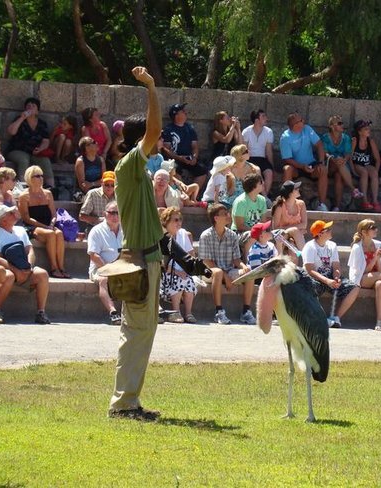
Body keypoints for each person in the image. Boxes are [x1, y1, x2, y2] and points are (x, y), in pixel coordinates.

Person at [104, 67, 212, 421]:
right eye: (154, 138)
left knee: (143, 332)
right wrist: (151, 87)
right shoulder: (130, 164)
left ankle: (131, 401)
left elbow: (157, 232)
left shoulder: (141, 173)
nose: (161, 139)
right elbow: (153, 129)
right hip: (137, 263)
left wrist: (187, 260)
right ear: (140, 141)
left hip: (149, 259)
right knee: (135, 332)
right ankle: (121, 404)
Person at [0, 204, 50, 324]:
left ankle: (40, 313)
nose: (14, 214)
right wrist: (16, 271)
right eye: (10, 213)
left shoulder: (20, 230)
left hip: (24, 268)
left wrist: (29, 267)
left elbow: (30, 251)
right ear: (3, 220)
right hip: (3, 269)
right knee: (9, 275)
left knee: (42, 274)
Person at [198, 203, 255, 325]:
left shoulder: (232, 235)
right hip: (208, 271)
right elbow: (206, 262)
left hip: (228, 271)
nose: (228, 216)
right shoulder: (205, 235)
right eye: (225, 214)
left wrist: (244, 267)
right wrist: (224, 275)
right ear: (216, 218)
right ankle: (218, 312)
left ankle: (246, 312)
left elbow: (236, 259)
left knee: (249, 271)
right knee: (218, 273)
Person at [303, 220, 360, 328]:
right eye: (327, 230)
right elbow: (309, 270)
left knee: (355, 288)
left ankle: (336, 318)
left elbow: (336, 266)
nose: (331, 231)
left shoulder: (332, 245)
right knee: (309, 290)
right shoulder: (309, 247)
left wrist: (336, 277)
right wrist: (327, 281)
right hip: (315, 278)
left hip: (330, 277)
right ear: (320, 234)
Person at [17, 165, 69, 279]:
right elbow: (26, 218)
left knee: (59, 233)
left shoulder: (48, 193)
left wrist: (51, 224)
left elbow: (54, 214)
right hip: (32, 226)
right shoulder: (24, 196)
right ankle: (54, 268)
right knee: (50, 234)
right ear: (30, 178)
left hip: (48, 225)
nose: (41, 178)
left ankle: (61, 267)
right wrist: (45, 226)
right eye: (37, 176)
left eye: (42, 175)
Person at [280, 113, 329, 211]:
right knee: (287, 169)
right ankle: (286, 203)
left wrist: (320, 162)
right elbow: (287, 159)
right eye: (301, 120)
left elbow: (319, 144)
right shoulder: (285, 137)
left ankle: (321, 204)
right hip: (296, 166)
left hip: (311, 164)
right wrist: (302, 166)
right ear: (295, 125)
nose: (304, 121)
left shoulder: (307, 129)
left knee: (323, 169)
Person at [87, 201, 123, 326]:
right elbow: (93, 255)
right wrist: (109, 270)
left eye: (118, 213)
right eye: (112, 213)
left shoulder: (126, 230)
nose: (115, 216)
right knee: (104, 280)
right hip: (100, 268)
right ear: (104, 214)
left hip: (122, 267)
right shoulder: (96, 231)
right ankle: (113, 312)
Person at [160, 207, 198, 324]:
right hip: (166, 272)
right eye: (175, 220)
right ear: (166, 221)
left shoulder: (183, 233)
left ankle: (188, 313)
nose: (179, 223)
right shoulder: (161, 236)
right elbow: (161, 262)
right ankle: (175, 312)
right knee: (178, 279)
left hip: (182, 270)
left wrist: (188, 270)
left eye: (180, 219)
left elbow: (190, 255)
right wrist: (177, 272)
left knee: (188, 279)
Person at [6, 97, 55, 188]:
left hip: (34, 152)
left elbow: (46, 140)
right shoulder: (19, 120)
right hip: (17, 150)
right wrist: (22, 118)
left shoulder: (42, 123)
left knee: (45, 161)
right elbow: (11, 131)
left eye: (33, 106)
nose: (30, 108)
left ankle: (51, 188)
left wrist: (40, 148)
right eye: (28, 106)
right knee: (24, 160)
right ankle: (23, 187)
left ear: (37, 111)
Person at [162, 103, 208, 191]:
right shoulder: (168, 129)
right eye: (182, 111)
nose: (185, 112)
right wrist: (179, 158)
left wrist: (194, 158)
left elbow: (195, 146)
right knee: (174, 170)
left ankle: (191, 195)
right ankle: (182, 194)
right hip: (175, 158)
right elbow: (166, 149)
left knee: (202, 171)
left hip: (189, 157)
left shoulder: (189, 128)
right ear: (176, 115)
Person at [321, 115, 362, 211]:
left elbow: (348, 153)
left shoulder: (346, 138)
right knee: (338, 161)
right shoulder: (325, 137)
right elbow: (325, 152)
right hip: (330, 163)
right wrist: (333, 159)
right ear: (332, 126)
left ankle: (337, 207)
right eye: (339, 123)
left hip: (341, 165)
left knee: (339, 176)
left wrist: (344, 159)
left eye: (342, 123)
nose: (342, 125)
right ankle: (353, 189)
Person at [231, 173, 269, 258]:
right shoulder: (241, 202)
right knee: (252, 236)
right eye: (260, 183)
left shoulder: (262, 200)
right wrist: (256, 231)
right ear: (254, 186)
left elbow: (263, 222)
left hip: (258, 231)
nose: (263, 184)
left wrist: (261, 232)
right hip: (239, 233)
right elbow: (239, 226)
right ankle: (247, 263)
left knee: (277, 236)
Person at [350, 119, 381, 212]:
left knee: (373, 173)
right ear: (359, 132)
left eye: (368, 129)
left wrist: (376, 171)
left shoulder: (370, 141)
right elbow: (350, 157)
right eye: (365, 129)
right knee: (364, 173)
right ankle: (365, 201)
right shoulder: (354, 141)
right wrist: (352, 170)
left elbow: (377, 159)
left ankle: (375, 201)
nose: (368, 131)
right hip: (357, 164)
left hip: (367, 164)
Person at [242, 109, 274, 197]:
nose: (266, 118)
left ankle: (264, 198)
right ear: (257, 120)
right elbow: (244, 150)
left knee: (269, 173)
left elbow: (269, 151)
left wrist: (271, 166)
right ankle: (257, 197)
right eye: (263, 116)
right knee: (254, 173)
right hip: (250, 158)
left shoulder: (268, 132)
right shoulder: (246, 131)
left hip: (262, 159)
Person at [271, 180, 308, 251]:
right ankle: (306, 257)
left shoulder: (301, 204)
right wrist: (294, 231)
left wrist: (294, 232)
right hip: (283, 236)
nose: (298, 189)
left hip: (297, 237)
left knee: (293, 253)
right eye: (296, 189)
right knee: (295, 230)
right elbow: (275, 229)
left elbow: (304, 224)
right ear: (290, 193)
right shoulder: (280, 207)